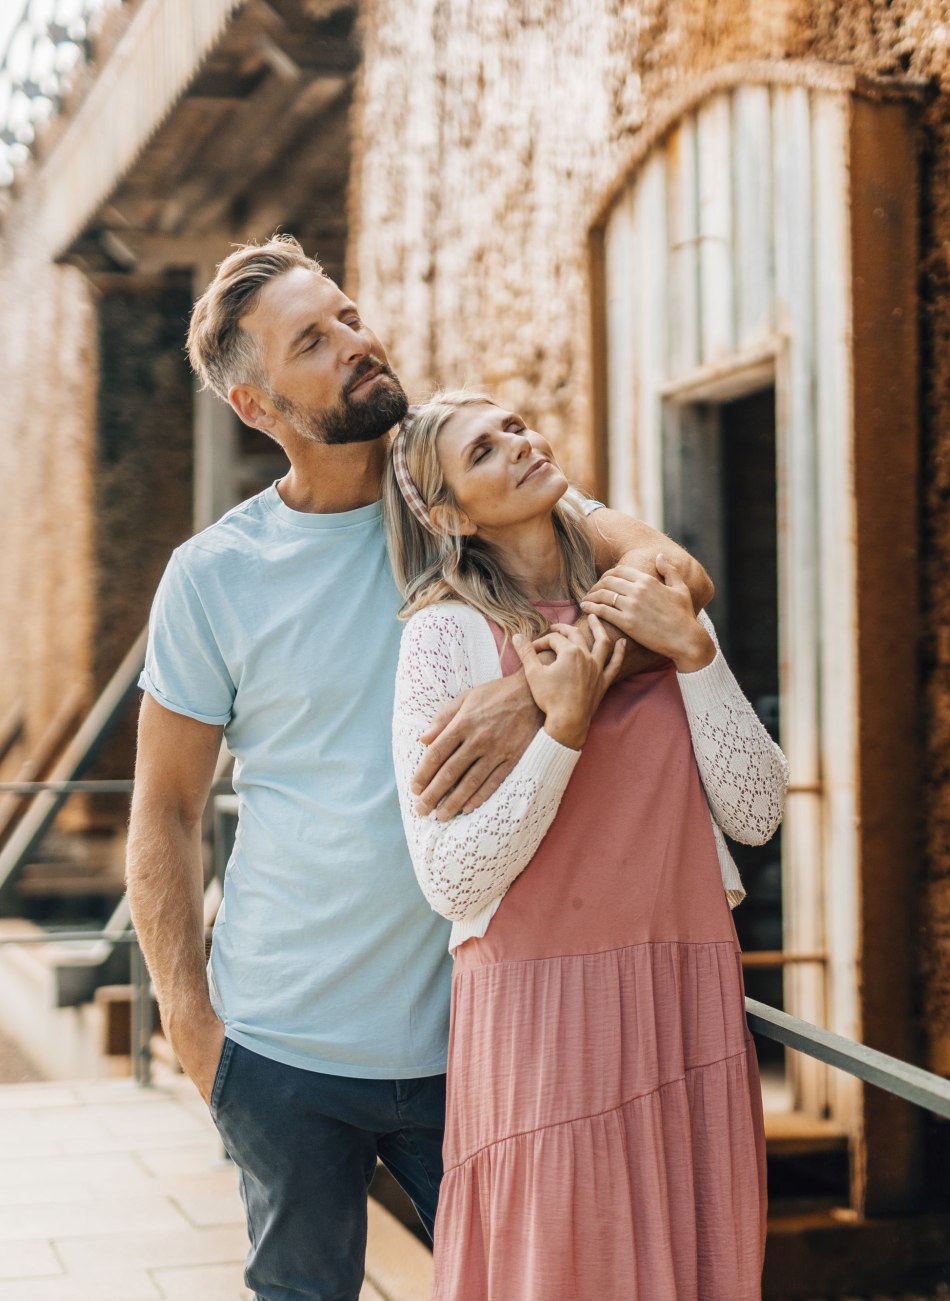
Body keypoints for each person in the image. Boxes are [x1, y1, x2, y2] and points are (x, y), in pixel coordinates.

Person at [124, 235, 714, 1301]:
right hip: (282, 1045)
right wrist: (193, 1026)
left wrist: (533, 681)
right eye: (314, 339)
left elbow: (674, 581)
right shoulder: (212, 577)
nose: (358, 342)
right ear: (258, 406)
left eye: (348, 315)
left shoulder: (464, 496)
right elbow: (162, 811)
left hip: (479, 1037)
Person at [387, 390, 789, 1301]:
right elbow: (451, 877)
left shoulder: (648, 597)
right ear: (450, 515)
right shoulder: (444, 637)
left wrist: (699, 659)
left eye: (514, 427)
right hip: (542, 1005)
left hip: (684, 984)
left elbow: (757, 810)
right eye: (482, 451)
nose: (517, 445)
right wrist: (561, 732)